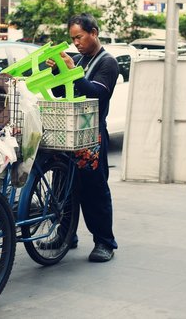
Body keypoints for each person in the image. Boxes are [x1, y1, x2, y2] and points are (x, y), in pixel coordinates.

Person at [44, 13, 119, 263]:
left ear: (94, 33)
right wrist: (57, 72)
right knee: (63, 185)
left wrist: (72, 72)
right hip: (69, 132)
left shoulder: (108, 63)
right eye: (73, 38)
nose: (76, 43)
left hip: (92, 136)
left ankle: (104, 242)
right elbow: (58, 91)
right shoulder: (78, 59)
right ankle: (66, 234)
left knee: (94, 189)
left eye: (80, 37)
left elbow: (97, 94)